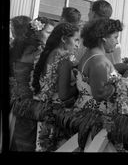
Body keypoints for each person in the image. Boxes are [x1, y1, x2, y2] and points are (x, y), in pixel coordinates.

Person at [31, 22, 80, 151]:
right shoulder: (64, 58)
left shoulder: (49, 53)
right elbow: (64, 94)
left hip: (45, 110)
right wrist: (79, 85)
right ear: (64, 39)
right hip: (58, 114)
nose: (77, 45)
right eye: (75, 40)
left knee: (44, 146)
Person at [74, 18, 128, 116]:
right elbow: (100, 93)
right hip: (96, 116)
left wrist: (116, 68)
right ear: (104, 38)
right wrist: (125, 80)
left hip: (85, 111)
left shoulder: (90, 54)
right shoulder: (99, 60)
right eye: (115, 37)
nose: (117, 42)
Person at [9, 20, 44, 151]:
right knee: (26, 139)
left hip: (17, 96)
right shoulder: (36, 51)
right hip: (29, 100)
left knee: (17, 135)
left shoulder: (16, 49)